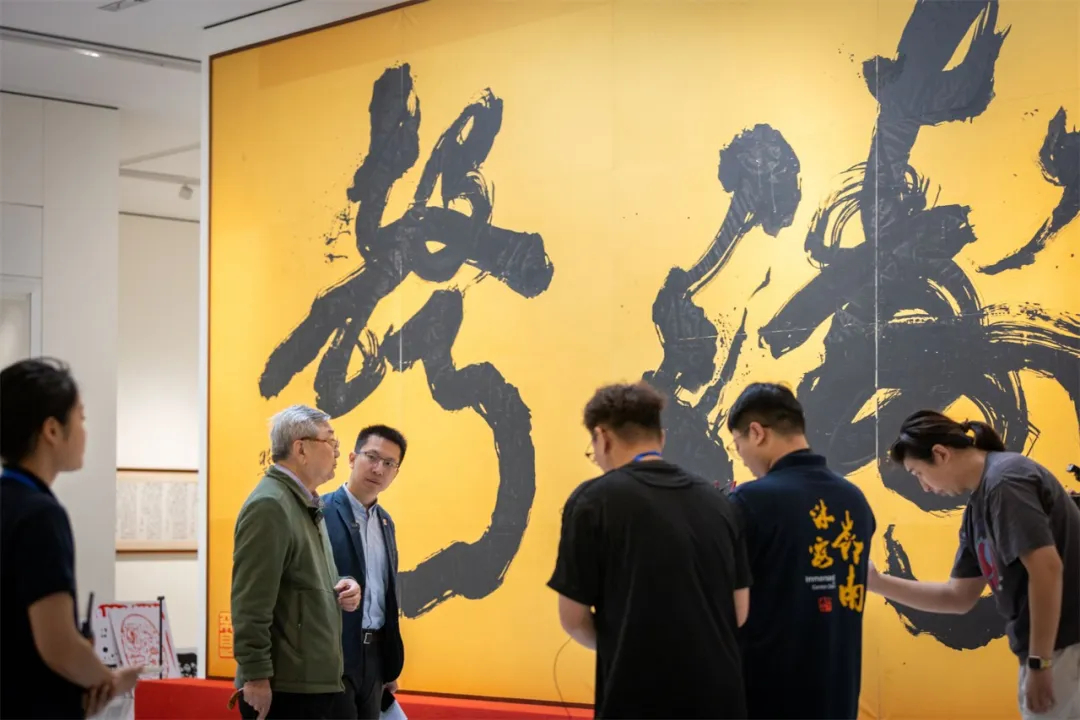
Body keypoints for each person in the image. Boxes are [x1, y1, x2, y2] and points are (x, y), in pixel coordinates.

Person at [548, 381, 750, 719]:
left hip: (637, 699)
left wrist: (625, 646)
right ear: (661, 438)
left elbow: (573, 619)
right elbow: (739, 612)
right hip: (721, 701)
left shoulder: (593, 502)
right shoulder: (720, 503)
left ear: (602, 437)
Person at [869, 410, 1080, 720]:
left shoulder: (1005, 481)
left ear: (940, 454)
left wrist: (1040, 661)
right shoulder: (979, 506)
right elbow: (958, 597)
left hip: (1066, 647)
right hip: (1049, 651)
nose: (924, 487)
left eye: (918, 473)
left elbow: (1046, 569)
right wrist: (876, 582)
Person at [1, 358, 141, 718]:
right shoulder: (39, 515)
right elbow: (59, 644)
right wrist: (109, 680)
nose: (85, 431)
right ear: (52, 430)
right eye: (81, 417)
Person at [726, 383, 875, 719]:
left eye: (738, 445)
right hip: (838, 699)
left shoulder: (750, 502)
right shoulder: (854, 500)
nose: (742, 458)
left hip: (767, 700)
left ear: (756, 432)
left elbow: (727, 607)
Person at [230, 405, 362, 720]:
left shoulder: (303, 502)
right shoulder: (271, 505)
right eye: (330, 441)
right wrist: (256, 676)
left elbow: (298, 583)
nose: (337, 451)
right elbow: (250, 603)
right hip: (286, 689)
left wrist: (340, 587)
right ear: (301, 449)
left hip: (310, 682)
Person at [323, 425, 407, 720]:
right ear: (351, 458)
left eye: (389, 463)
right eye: (371, 457)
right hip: (334, 652)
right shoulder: (321, 512)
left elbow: (386, 596)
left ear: (396, 472)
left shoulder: (386, 523)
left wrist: (387, 665)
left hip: (375, 656)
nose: (378, 469)